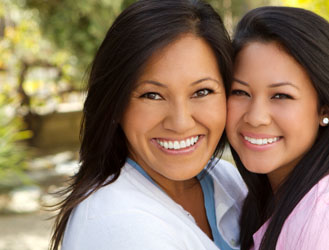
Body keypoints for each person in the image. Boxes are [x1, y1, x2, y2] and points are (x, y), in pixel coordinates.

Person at [49, 0, 247, 249]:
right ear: (116, 105)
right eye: (152, 95)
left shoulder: (226, 179)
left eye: (202, 91)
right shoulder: (121, 227)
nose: (180, 122)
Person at [225, 6, 329, 250]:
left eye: (281, 96)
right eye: (240, 92)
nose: (255, 117)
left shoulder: (327, 223)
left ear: (325, 109)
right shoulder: (273, 195)